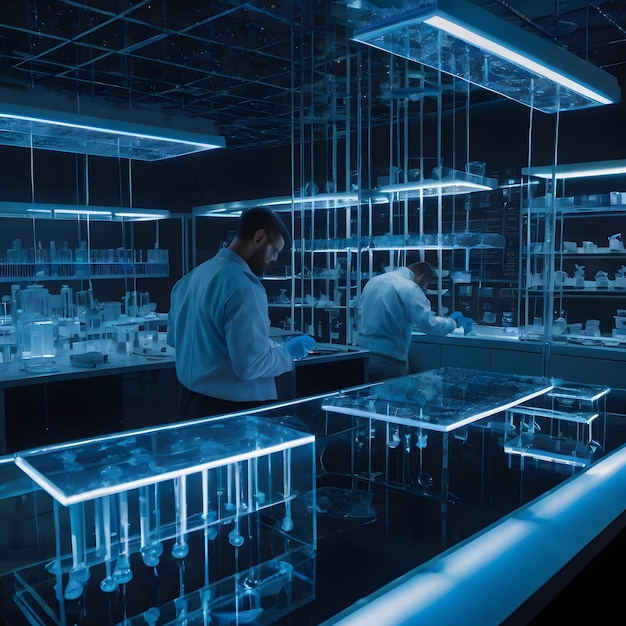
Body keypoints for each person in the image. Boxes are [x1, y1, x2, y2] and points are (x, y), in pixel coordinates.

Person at [167, 207, 315, 419]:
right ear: (259, 237)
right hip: (235, 412)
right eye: (273, 251)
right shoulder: (244, 288)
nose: (273, 260)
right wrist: (287, 354)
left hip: (191, 403)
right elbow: (251, 366)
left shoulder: (190, 278)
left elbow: (174, 339)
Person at [357, 261, 459, 382]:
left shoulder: (374, 281)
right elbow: (429, 325)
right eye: (426, 282)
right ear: (422, 275)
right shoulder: (410, 288)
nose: (424, 287)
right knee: (392, 398)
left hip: (363, 355)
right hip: (388, 359)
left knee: (368, 398)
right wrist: (452, 323)